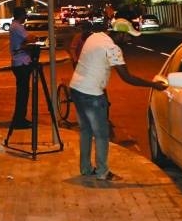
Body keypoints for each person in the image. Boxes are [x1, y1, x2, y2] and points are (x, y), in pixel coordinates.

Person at [68, 19, 166, 181]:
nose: (128, 40)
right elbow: (127, 77)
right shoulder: (112, 48)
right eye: (127, 36)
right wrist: (153, 85)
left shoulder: (96, 36)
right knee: (101, 134)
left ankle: (85, 168)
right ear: (119, 34)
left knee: (86, 131)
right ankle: (102, 172)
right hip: (91, 93)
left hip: (76, 88)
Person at [9, 6, 38, 129]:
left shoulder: (15, 26)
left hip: (21, 62)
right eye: (25, 14)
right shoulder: (17, 27)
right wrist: (27, 41)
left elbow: (25, 41)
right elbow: (30, 38)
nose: (26, 16)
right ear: (21, 15)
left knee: (23, 93)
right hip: (21, 63)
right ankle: (19, 120)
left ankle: (20, 118)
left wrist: (24, 43)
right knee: (23, 94)